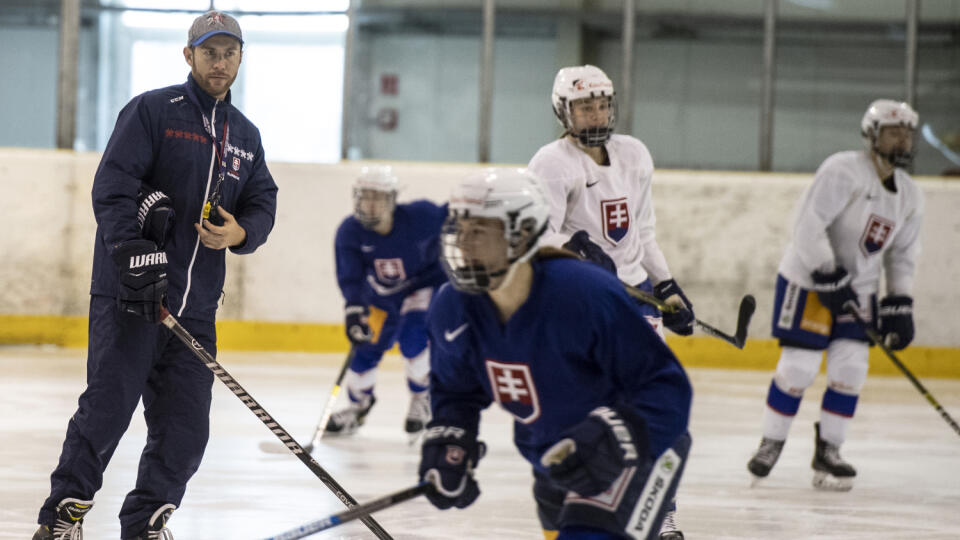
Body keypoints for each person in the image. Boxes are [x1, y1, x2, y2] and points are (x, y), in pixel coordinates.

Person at [33, 11, 278, 539]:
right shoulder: (152, 110)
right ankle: (63, 517)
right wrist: (132, 255)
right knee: (106, 413)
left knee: (186, 431)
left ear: (240, 58)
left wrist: (241, 233)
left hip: (196, 309)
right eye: (209, 52)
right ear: (189, 56)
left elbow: (263, 200)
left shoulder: (246, 137)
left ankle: (146, 521)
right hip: (130, 301)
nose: (220, 62)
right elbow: (114, 187)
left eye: (229, 52)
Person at [418, 168, 692, 540]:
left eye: (479, 231)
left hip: (637, 452)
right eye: (459, 228)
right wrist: (452, 440)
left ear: (523, 233)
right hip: (553, 458)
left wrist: (615, 438)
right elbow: (456, 389)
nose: (463, 244)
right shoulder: (453, 308)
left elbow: (667, 388)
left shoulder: (584, 295)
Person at [527, 64, 694, 539]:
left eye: (602, 103)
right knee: (589, 411)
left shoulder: (634, 155)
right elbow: (538, 231)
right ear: (564, 111)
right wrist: (576, 250)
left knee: (655, 408)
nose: (597, 112)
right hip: (582, 305)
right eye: (585, 106)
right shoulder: (551, 163)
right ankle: (584, 507)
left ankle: (662, 517)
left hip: (635, 302)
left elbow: (641, 232)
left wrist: (666, 286)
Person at [747, 99, 923, 491]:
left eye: (907, 133)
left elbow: (902, 255)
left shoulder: (910, 195)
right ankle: (771, 442)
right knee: (799, 367)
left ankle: (829, 451)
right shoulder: (843, 170)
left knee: (851, 369)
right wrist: (827, 272)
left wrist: (900, 301)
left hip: (858, 289)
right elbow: (807, 225)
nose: (903, 140)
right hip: (808, 280)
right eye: (894, 132)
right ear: (872, 135)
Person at [327, 165, 447, 439]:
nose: (370, 204)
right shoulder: (350, 232)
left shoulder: (422, 216)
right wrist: (354, 309)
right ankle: (358, 407)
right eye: (364, 196)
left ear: (392, 199)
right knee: (364, 350)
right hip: (382, 296)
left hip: (422, 287)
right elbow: (351, 276)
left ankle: (421, 396)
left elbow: (455, 218)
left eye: (378, 197)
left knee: (414, 338)